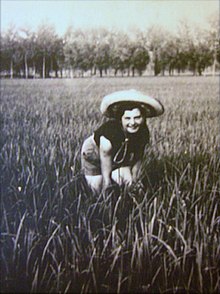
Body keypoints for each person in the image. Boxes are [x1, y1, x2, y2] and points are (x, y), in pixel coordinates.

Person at [80, 89, 164, 193]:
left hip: (118, 153)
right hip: (94, 153)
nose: (132, 122)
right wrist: (107, 183)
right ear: (121, 119)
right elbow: (105, 155)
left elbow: (138, 157)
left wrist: (134, 180)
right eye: (127, 118)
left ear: (144, 118)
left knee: (130, 183)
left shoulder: (143, 132)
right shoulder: (111, 132)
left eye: (137, 117)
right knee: (98, 190)